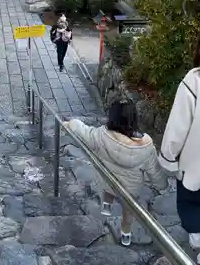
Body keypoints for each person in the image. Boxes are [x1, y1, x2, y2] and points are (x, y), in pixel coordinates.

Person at [64, 99, 167, 247]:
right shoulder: (146, 145)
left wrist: (71, 124)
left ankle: (106, 207)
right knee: (129, 209)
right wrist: (162, 185)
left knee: (108, 187)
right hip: (130, 189)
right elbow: (155, 171)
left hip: (107, 179)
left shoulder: (101, 135)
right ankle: (126, 234)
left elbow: (84, 131)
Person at [159, 42, 200, 263]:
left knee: (191, 207)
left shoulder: (194, 81)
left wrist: (168, 158)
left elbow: (177, 128)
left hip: (195, 169)